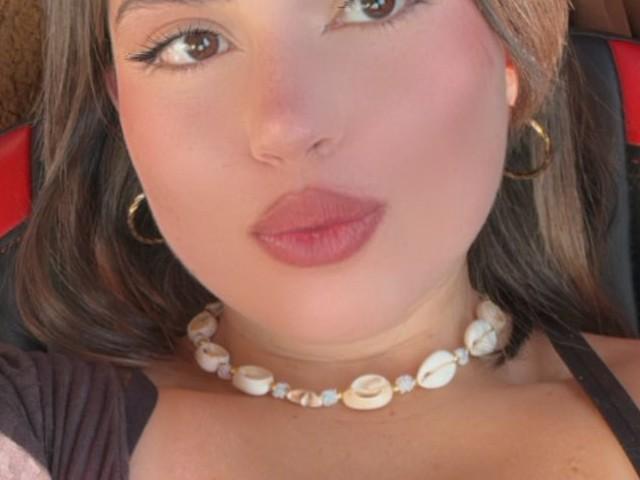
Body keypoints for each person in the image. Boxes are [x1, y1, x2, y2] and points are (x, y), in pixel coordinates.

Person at [1, 0, 640, 478]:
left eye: (373, 4)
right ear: (124, 114)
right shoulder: (28, 426)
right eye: (193, 44)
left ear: (508, 51)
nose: (286, 126)